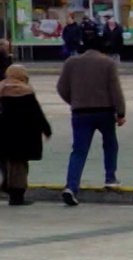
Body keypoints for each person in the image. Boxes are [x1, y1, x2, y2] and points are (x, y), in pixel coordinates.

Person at [55, 30, 125, 205]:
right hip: (104, 111)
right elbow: (115, 90)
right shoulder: (108, 63)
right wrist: (121, 112)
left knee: (78, 151)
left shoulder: (71, 63)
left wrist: (74, 101)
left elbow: (61, 88)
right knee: (110, 144)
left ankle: (71, 186)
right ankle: (110, 178)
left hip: (80, 112)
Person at [0, 65, 54, 206]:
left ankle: (8, 186)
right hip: (23, 137)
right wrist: (46, 130)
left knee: (8, 163)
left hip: (4, 135)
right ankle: (17, 196)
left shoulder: (1, 90)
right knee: (20, 166)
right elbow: (37, 114)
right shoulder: (26, 92)